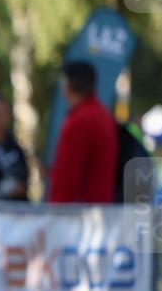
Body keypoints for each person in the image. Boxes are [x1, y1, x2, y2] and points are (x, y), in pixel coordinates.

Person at [48, 61, 118, 204]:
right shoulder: (102, 114)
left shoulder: (79, 121)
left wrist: (54, 213)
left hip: (77, 216)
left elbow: (68, 178)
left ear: (68, 85)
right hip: (98, 210)